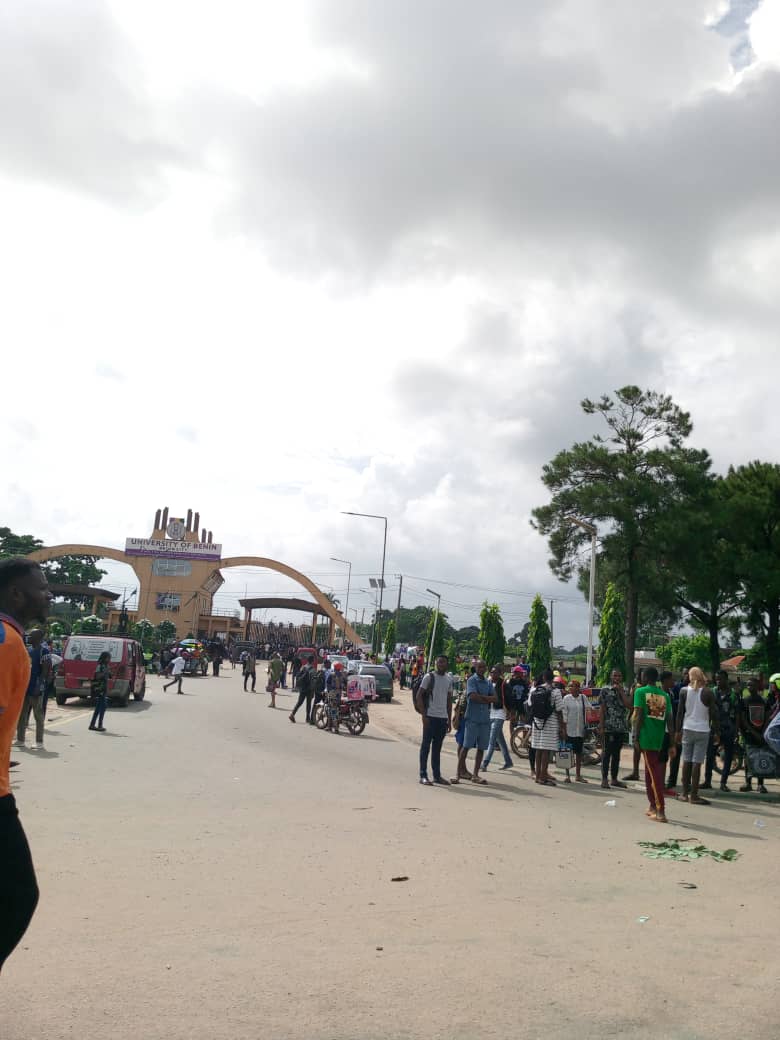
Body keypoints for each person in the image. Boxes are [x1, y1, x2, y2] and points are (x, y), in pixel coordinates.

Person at [0, 558, 52, 972]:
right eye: (41, 587)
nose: (48, 594)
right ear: (16, 593)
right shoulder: (6, 643)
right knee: (18, 896)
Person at [633, 666, 676, 823]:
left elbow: (638, 715)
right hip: (659, 738)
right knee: (649, 773)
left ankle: (660, 810)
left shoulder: (641, 692)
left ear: (645, 677)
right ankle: (652, 805)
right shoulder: (664, 695)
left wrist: (635, 737)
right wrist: (671, 743)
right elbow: (670, 720)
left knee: (655, 776)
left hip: (646, 738)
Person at [676, 666, 720, 805]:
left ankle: (684, 793)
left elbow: (679, 713)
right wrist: (717, 731)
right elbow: (713, 713)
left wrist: (677, 732)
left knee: (686, 761)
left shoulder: (683, 691)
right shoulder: (708, 692)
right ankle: (694, 795)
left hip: (687, 728)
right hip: (702, 730)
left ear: (690, 676)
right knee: (697, 762)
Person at [455, 660, 495, 784]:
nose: (482, 669)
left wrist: (482, 698)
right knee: (465, 746)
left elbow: (495, 698)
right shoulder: (472, 680)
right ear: (475, 668)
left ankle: (476, 775)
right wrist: (486, 699)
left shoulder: (488, 682)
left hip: (484, 720)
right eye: (479, 667)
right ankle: (458, 773)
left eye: (484, 667)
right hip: (472, 718)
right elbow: (472, 696)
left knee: (481, 748)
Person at [416, 655, 453, 786]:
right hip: (430, 717)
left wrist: (449, 718)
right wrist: (423, 715)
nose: (441, 664)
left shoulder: (449, 679)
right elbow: (419, 696)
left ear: (447, 664)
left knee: (437, 748)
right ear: (436, 663)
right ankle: (423, 775)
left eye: (444, 662)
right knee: (426, 746)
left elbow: (449, 700)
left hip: (442, 719)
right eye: (439, 662)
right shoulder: (429, 677)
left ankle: (437, 776)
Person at [530, 669, 565, 786]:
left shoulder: (535, 689)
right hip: (550, 723)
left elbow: (530, 705)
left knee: (539, 749)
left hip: (537, 723)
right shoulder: (555, 691)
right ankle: (543, 776)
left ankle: (538, 775)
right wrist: (562, 727)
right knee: (546, 750)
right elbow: (559, 710)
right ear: (553, 679)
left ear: (544, 677)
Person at [704, 671, 738, 792]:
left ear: (726, 679)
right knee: (709, 755)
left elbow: (738, 714)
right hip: (714, 729)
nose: (718, 681)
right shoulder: (712, 692)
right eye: (717, 679)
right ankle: (707, 781)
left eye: (721, 679)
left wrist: (736, 732)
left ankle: (723, 782)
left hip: (728, 729)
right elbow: (707, 710)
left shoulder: (734, 695)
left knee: (728, 756)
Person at [15, 629, 49, 750]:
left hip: (35, 688)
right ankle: (20, 739)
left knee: (38, 715)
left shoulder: (44, 651)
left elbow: (45, 671)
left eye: (31, 635)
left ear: (38, 637)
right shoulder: (28, 650)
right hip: (25, 687)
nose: (28, 637)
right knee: (22, 715)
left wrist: (38, 686)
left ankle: (39, 742)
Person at [599, 668, 630, 789]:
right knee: (606, 753)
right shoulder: (605, 690)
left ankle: (614, 779)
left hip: (621, 727)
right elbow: (601, 708)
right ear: (611, 677)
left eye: (619, 676)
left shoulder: (625, 690)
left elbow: (629, 705)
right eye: (615, 676)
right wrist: (601, 725)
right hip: (608, 727)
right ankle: (604, 779)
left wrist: (621, 692)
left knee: (617, 754)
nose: (617, 678)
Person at [739, 679, 769, 794]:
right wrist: (753, 732)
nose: (749, 686)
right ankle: (748, 783)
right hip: (749, 734)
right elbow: (743, 719)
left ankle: (760, 784)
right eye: (747, 685)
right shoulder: (744, 701)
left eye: (751, 684)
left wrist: (762, 733)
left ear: (757, 686)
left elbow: (767, 717)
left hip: (761, 734)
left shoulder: (764, 701)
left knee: (761, 757)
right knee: (748, 759)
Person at [481, 665, 513, 771]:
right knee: (500, 739)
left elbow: (509, 699)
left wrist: (509, 711)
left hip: (500, 714)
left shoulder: (504, 684)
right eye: (491, 672)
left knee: (492, 739)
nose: (493, 674)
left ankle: (484, 764)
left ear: (500, 674)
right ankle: (508, 762)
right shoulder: (488, 683)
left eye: (495, 672)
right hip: (490, 713)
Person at [561, 680, 588, 783]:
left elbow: (589, 709)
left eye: (576, 686)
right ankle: (567, 775)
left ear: (579, 688)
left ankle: (578, 775)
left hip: (580, 730)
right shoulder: (566, 699)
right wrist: (563, 729)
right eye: (571, 686)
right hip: (569, 729)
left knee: (579, 753)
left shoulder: (583, 698)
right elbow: (564, 714)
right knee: (567, 752)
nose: (573, 688)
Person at [289, 655, 316, 723]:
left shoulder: (303, 667)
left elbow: (299, 676)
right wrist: (313, 689)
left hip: (303, 687)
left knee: (299, 702)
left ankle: (292, 714)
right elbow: (313, 680)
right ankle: (307, 718)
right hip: (309, 688)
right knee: (308, 704)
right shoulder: (312, 668)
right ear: (312, 661)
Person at [89, 651, 111, 731]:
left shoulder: (106, 666)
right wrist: (105, 672)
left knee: (99, 707)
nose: (109, 659)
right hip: (100, 689)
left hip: (103, 688)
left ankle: (92, 724)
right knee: (103, 707)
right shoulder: (100, 666)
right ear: (104, 658)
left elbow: (109, 676)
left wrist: (109, 672)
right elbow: (97, 676)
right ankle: (99, 725)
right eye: (108, 658)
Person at [325, 661, 347, 733]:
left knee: (333, 710)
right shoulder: (342, 675)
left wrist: (329, 691)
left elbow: (327, 683)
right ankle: (329, 726)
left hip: (332, 694)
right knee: (334, 709)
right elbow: (345, 684)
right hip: (339, 695)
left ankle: (336, 728)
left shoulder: (332, 674)